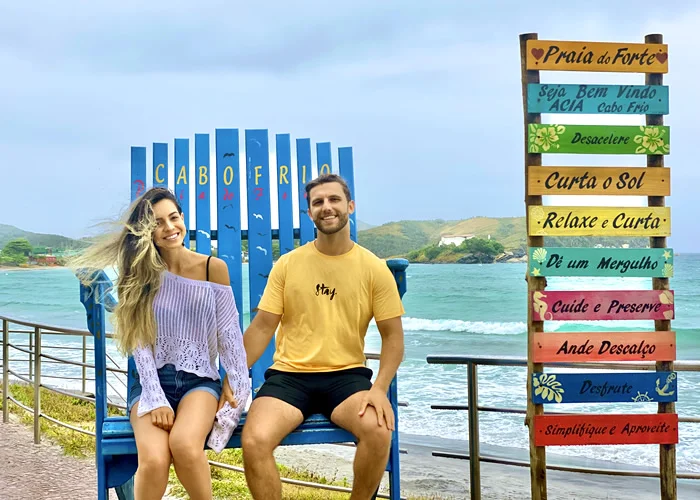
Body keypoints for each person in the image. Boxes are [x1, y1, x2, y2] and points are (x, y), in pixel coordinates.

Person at [72, 187, 250, 500]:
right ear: (146, 232)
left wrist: (237, 390)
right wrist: (155, 396)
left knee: (184, 445)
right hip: (150, 383)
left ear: (183, 219)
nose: (169, 228)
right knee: (154, 460)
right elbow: (138, 341)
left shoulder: (213, 268)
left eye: (174, 217)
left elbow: (230, 337)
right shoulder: (140, 274)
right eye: (158, 223)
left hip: (200, 384)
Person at [241, 173, 405, 500]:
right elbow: (262, 327)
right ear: (309, 212)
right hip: (290, 376)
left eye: (334, 200)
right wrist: (232, 378)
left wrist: (380, 388)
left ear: (350, 206)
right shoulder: (288, 265)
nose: (326, 207)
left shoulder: (373, 268)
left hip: (346, 377)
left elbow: (393, 338)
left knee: (378, 430)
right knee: (254, 440)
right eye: (318, 202)